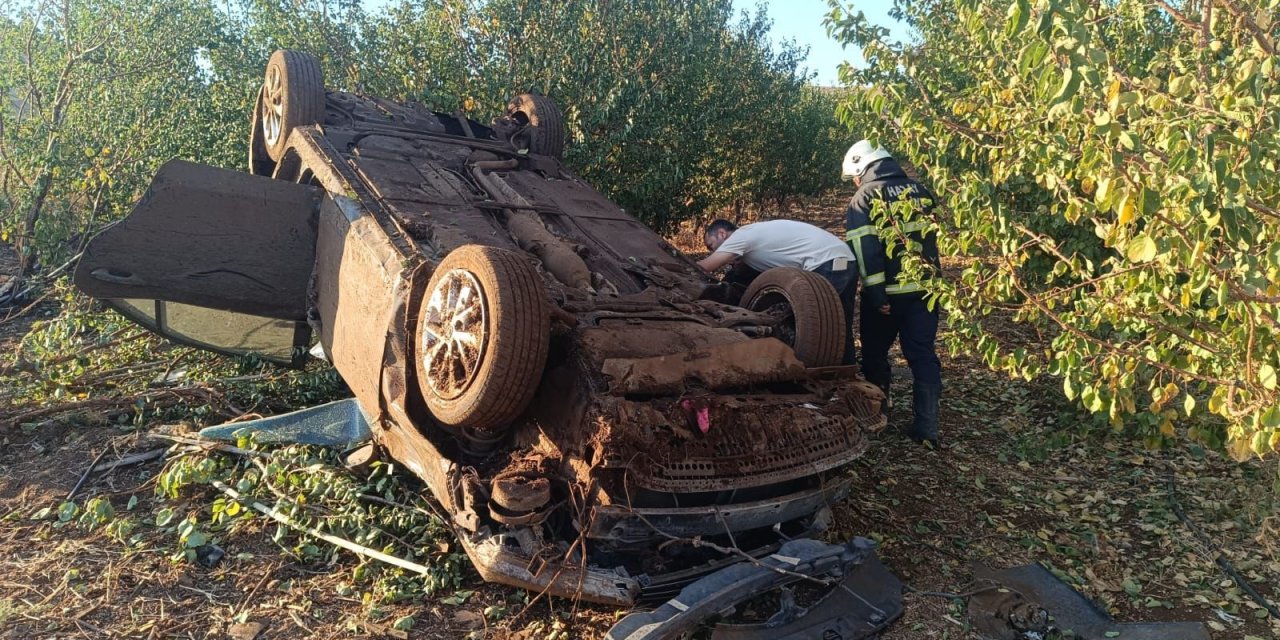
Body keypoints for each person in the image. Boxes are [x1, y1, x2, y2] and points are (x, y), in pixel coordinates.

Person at [842, 140, 943, 446]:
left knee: (874, 353)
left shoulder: (865, 197)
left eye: (855, 176)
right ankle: (928, 429)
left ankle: (877, 418)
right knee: (922, 355)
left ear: (863, 166)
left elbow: (865, 248)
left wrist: (876, 294)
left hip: (887, 295)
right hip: (926, 292)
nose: (855, 183)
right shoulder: (921, 191)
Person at [698, 219, 857, 365]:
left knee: (807, 326)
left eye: (712, 245)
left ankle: (804, 373)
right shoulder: (755, 237)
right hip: (844, 259)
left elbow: (705, 267)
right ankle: (848, 372)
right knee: (840, 324)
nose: (713, 251)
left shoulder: (741, 236)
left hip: (826, 262)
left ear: (722, 234)